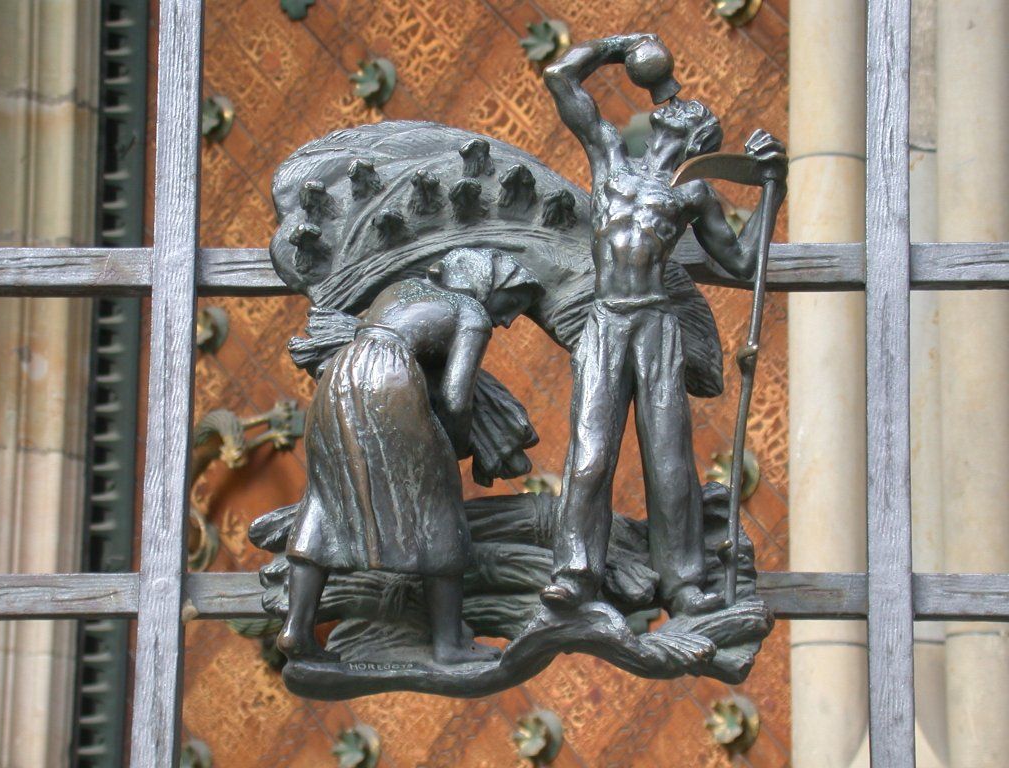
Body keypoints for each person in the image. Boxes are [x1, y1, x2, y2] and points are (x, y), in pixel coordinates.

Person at [539, 34, 787, 615]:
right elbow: (559, 78)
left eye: (687, 112)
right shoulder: (608, 159)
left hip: (655, 324)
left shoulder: (693, 194)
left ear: (697, 136)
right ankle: (576, 571)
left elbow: (744, 263)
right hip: (605, 324)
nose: (672, 106)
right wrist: (622, 47)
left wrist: (773, 190)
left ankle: (682, 581)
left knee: (670, 459)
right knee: (590, 453)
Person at [277, 248, 544, 665]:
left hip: (342, 379)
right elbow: (457, 398)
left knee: (326, 501)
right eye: (510, 305)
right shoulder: (470, 312)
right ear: (486, 285)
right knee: (439, 505)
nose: (507, 320)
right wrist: (452, 448)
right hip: (392, 383)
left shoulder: (400, 289)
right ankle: (449, 643)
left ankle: (296, 628)